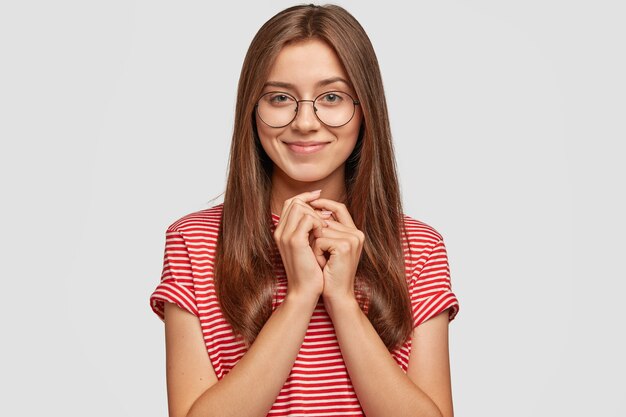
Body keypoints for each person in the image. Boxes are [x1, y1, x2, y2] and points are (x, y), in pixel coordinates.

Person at [149, 4, 460, 417]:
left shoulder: (418, 247)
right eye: (280, 97)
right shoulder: (196, 242)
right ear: (251, 110)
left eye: (332, 97)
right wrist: (298, 298)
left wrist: (343, 301)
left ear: (365, 108)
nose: (306, 122)